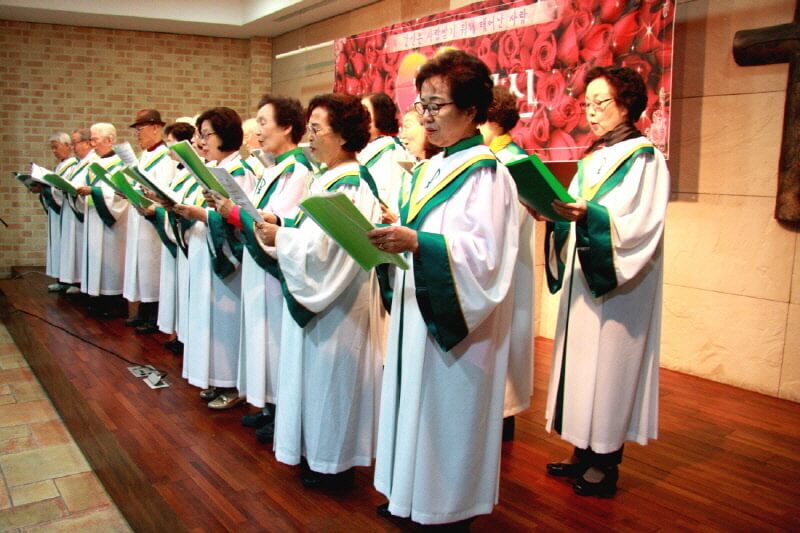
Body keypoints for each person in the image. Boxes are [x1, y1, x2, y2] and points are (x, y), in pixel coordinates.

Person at [368, 50, 520, 526]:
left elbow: (485, 258)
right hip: (419, 310)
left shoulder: (486, 173)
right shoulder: (434, 166)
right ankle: (411, 495)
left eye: (437, 106)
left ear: (472, 110)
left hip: (454, 326)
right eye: (422, 105)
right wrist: (399, 230)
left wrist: (419, 242)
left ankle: (447, 510)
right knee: (414, 402)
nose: (426, 117)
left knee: (447, 412)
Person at [541, 66, 669, 498]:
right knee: (580, 365)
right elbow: (576, 209)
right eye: (587, 104)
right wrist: (554, 215)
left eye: (601, 103)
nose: (591, 112)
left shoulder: (644, 158)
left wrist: (589, 216)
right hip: (585, 276)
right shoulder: (594, 156)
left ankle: (605, 461)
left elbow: (640, 224)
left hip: (618, 285)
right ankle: (582, 448)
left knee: (610, 368)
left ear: (628, 104)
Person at [253, 93, 383, 490]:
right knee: (314, 378)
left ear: (342, 135)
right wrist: (282, 224)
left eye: (316, 129)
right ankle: (314, 452)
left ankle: (334, 465)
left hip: (338, 302)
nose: (309, 137)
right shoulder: (327, 176)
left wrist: (282, 238)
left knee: (333, 380)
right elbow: (311, 231)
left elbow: (329, 250)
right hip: (321, 297)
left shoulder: (351, 183)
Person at [213, 95, 312, 443]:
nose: (257, 130)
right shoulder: (274, 167)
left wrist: (232, 212)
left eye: (264, 122)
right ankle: (269, 404)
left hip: (276, 268)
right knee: (263, 338)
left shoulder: (298, 170)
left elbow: (280, 222)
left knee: (276, 340)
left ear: (287, 127)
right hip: (259, 267)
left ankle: (282, 408)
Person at [173, 107, 256, 410]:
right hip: (204, 250)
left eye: (206, 135)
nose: (201, 141)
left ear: (225, 135)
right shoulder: (211, 169)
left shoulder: (239, 173)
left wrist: (200, 214)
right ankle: (216, 378)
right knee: (210, 320)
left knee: (226, 322)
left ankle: (231, 383)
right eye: (200, 135)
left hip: (228, 261)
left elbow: (243, 218)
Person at [481, 84, 536, 441]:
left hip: (506, 267)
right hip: (494, 265)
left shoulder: (510, 162)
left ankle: (502, 417)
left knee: (506, 339)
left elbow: (508, 220)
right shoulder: (494, 158)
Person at [146, 121, 198, 355]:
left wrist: (162, 206)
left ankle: (183, 336)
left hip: (191, 239)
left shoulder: (195, 172)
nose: (168, 150)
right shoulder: (182, 172)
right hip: (181, 235)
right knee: (177, 288)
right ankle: (178, 333)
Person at [123, 109, 176, 334]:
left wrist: (147, 197)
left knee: (152, 266)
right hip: (140, 214)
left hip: (154, 219)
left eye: (141, 128)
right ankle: (144, 310)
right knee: (141, 265)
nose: (137, 133)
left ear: (156, 128)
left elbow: (163, 188)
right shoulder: (145, 155)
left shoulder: (165, 156)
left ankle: (154, 314)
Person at [76, 122, 128, 318]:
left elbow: (121, 194)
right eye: (91, 139)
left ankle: (113, 302)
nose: (92, 144)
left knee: (110, 260)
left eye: (95, 139)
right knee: (95, 257)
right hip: (93, 215)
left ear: (109, 140)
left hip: (111, 222)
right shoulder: (94, 163)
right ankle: (95, 298)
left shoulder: (120, 164)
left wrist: (94, 191)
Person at [358, 92, 412, 214]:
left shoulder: (389, 149)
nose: (359, 119)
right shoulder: (366, 148)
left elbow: (388, 198)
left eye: (365, 113)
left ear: (380, 116)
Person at [59, 128, 96, 295]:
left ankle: (81, 281)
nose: (72, 147)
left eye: (75, 143)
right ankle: (75, 279)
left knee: (81, 247)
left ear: (87, 143)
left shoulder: (93, 162)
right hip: (74, 208)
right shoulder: (79, 163)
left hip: (84, 212)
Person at [43, 132, 78, 292]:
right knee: (59, 245)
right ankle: (61, 279)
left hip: (68, 212)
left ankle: (73, 282)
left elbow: (66, 188)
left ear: (67, 146)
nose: (54, 151)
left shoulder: (73, 166)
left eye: (56, 147)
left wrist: (47, 188)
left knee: (68, 246)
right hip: (58, 213)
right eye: (52, 148)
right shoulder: (59, 166)